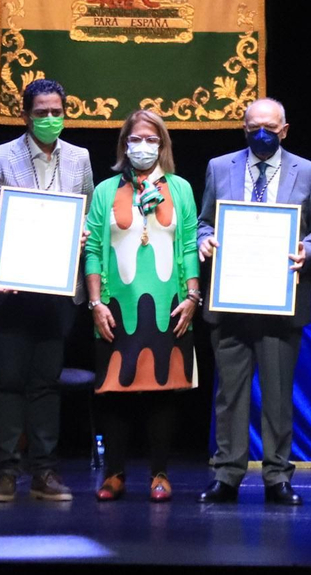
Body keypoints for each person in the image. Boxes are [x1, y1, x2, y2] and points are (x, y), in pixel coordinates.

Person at [197, 98, 311, 506]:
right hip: (230, 299)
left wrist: (309, 248)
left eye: (270, 128)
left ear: (284, 130)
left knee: (277, 395)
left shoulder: (309, 172)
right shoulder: (219, 167)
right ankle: (227, 474)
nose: (262, 134)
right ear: (244, 127)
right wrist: (205, 240)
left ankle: (277, 476)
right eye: (254, 126)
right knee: (229, 395)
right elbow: (204, 221)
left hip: (281, 301)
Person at [0, 78, 95, 502]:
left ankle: (44, 472)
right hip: (10, 288)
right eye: (41, 112)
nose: (49, 119)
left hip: (57, 291)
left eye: (56, 112)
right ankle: (5, 473)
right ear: (25, 115)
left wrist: (82, 232)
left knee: (46, 381)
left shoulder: (79, 158)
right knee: (9, 380)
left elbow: (87, 213)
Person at [84, 109, 200, 503]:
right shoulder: (105, 190)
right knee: (115, 389)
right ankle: (114, 474)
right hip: (116, 305)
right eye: (136, 139)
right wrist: (95, 303)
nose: (143, 146)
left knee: (161, 389)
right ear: (124, 145)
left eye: (152, 139)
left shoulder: (180, 188)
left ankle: (160, 474)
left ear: (162, 145)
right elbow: (93, 250)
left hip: (170, 304)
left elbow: (189, 246)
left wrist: (192, 298)